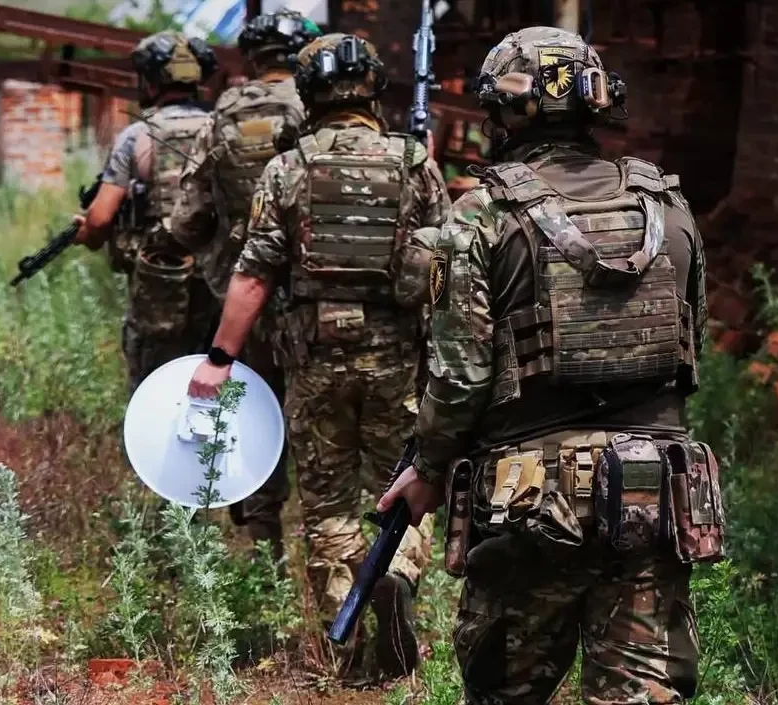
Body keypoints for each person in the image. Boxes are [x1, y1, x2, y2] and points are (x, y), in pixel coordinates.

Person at [377, 27, 726, 704]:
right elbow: (690, 348)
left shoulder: (481, 216)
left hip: (531, 502)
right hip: (654, 493)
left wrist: (429, 466)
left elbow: (460, 376)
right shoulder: (668, 207)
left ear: (503, 112)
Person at [186, 32, 451, 677]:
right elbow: (449, 263)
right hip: (398, 359)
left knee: (329, 506)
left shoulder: (288, 168)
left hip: (315, 359)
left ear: (308, 94)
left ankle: (352, 650)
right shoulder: (414, 161)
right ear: (374, 90)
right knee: (401, 484)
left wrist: (219, 358)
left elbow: (253, 274)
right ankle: (398, 572)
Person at [170, 10, 322, 561]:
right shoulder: (315, 110)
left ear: (253, 58)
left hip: (244, 297)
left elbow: (189, 219)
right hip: (312, 294)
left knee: (256, 411)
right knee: (322, 418)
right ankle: (334, 544)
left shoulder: (223, 115)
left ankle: (264, 546)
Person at [75, 31, 218, 392]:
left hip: (160, 281)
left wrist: (86, 233)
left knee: (155, 383)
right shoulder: (222, 128)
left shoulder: (138, 136)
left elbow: (100, 218)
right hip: (221, 279)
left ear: (151, 82)